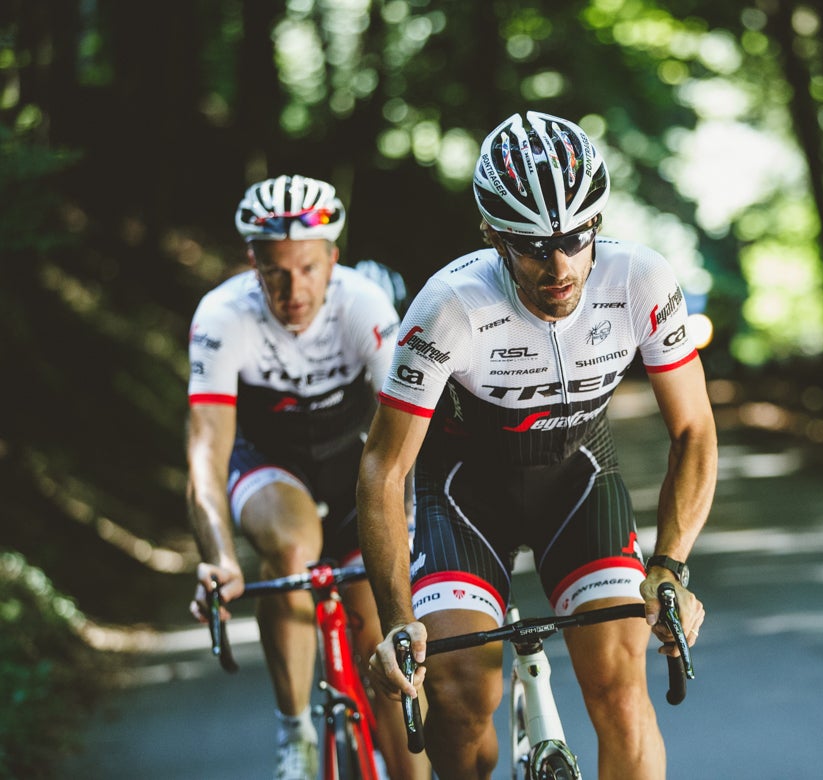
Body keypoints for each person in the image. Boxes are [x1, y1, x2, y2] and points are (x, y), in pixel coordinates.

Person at [357, 111, 718, 779]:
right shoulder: (449, 306)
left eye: (576, 239)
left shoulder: (640, 281)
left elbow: (693, 429)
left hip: (578, 484)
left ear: (597, 223)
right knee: (460, 700)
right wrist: (396, 619)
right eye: (531, 247)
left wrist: (669, 563)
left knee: (621, 690)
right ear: (492, 234)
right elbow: (383, 468)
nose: (559, 267)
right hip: (465, 499)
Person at [186, 174, 430, 780]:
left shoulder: (365, 306)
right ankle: (294, 730)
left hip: (352, 467)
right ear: (253, 262)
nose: (293, 290)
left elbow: (409, 439)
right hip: (269, 466)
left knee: (384, 638)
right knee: (294, 548)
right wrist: (220, 556)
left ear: (333, 258)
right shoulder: (222, 315)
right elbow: (206, 451)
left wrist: (413, 529)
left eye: (308, 269)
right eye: (275, 272)